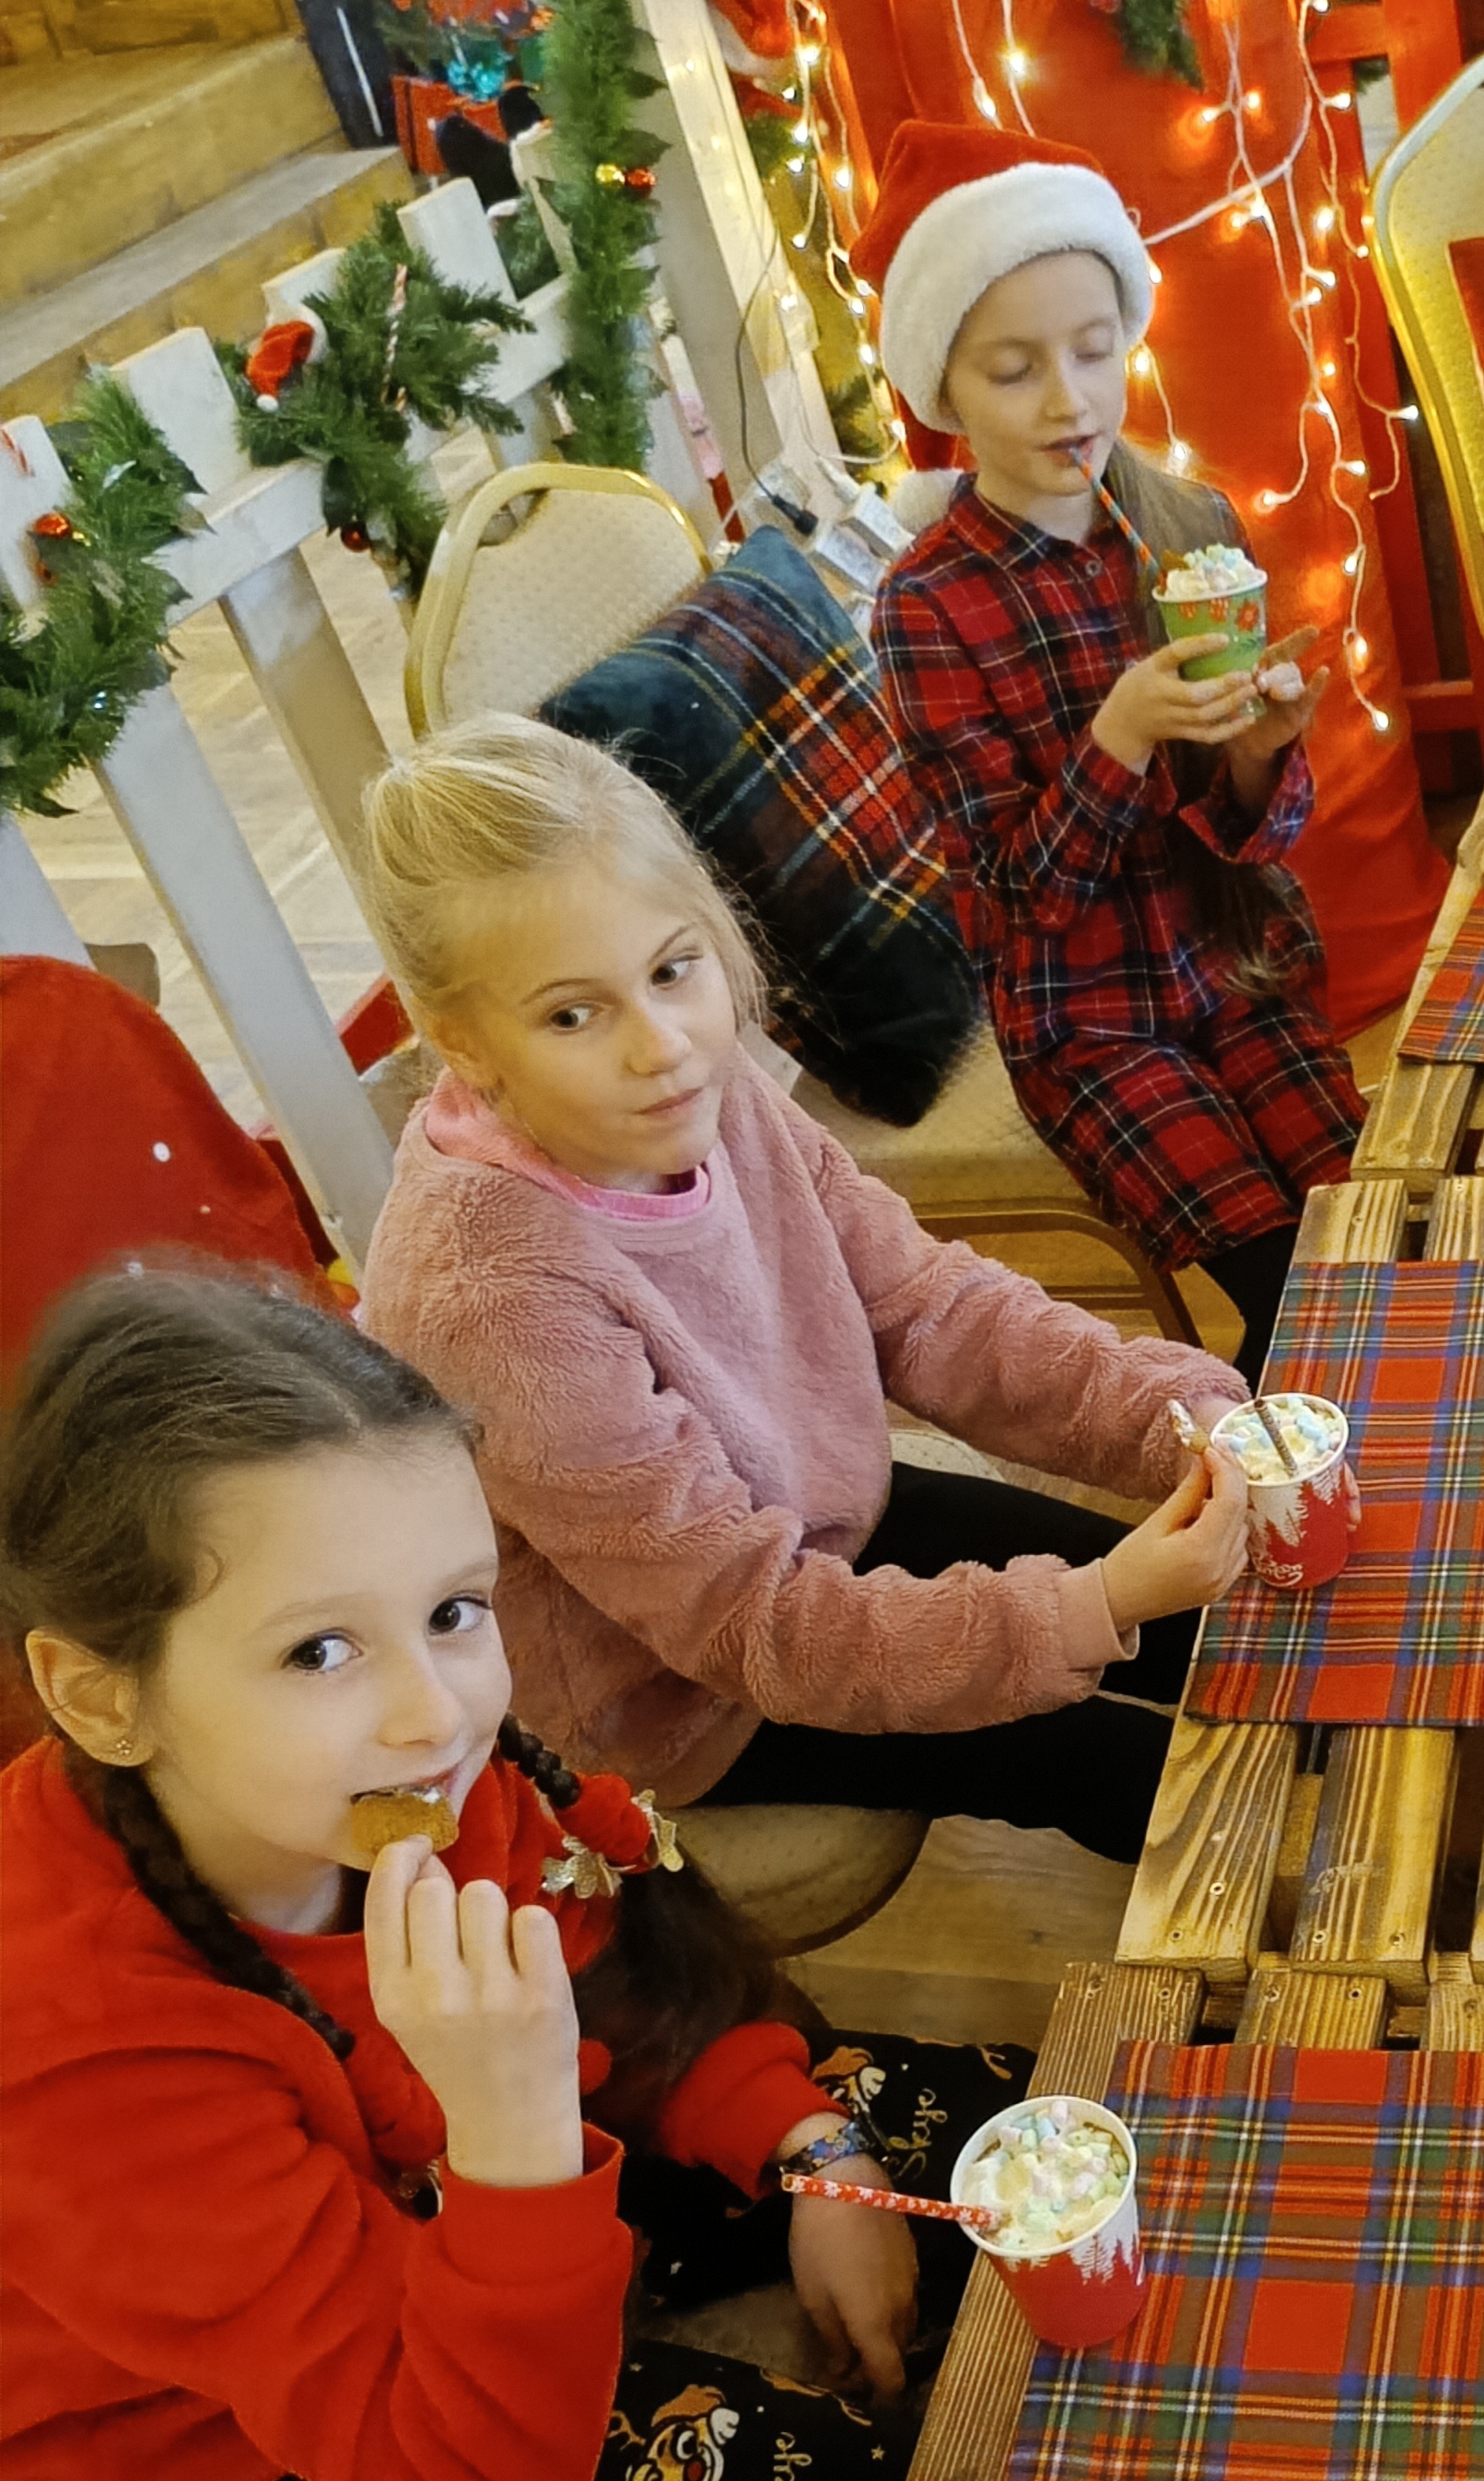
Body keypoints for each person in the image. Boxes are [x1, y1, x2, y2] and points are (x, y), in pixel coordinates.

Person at [0, 1269, 1013, 2481]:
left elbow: (634, 2007)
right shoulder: (76, 2051)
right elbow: (456, 2480)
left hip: (479, 2200)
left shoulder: (413, 1794)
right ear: (103, 1700)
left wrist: (814, 2153)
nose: (436, 1713)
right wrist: (516, 2129)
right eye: (318, 1650)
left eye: (453, 1611)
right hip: (244, 2454)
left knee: (1005, 2135)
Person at [353, 715, 1249, 1857]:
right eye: (572, 1013)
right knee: (1121, 1767)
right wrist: (1099, 1601)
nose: (661, 1045)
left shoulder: (702, 1086)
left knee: (1229, 1616)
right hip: (687, 1691)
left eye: (673, 969)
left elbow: (930, 1309)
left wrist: (1182, 1417)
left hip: (815, 1524)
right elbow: (751, 1626)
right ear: (462, 1042)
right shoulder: (489, 1296)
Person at [861, 121, 1363, 1375]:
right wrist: (1120, 735)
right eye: (1014, 368)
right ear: (945, 391)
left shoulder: (1188, 524)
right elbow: (1014, 896)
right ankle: (1285, 1468)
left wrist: (1258, 753)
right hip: (1087, 1023)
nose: (1069, 398)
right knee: (1287, 1282)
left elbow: (1255, 836)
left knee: (1369, 1233)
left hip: (1234, 969)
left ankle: (1368, 1426)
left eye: (1095, 351)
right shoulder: (926, 607)